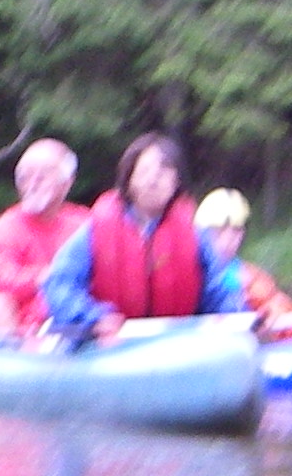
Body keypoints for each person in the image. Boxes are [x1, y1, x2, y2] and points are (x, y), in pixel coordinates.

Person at [41, 132, 248, 343]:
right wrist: (92, 317)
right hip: (113, 345)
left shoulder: (195, 233)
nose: (153, 178)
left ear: (176, 181)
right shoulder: (96, 230)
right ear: (129, 179)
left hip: (177, 345)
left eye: (164, 170)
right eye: (144, 170)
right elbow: (58, 285)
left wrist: (243, 322)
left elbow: (221, 292)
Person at [0, 139, 91, 339]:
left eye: (42, 176)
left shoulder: (85, 222)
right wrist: (45, 276)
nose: (32, 184)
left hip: (79, 315)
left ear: (67, 183)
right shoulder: (4, 228)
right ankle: (12, 353)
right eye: (25, 176)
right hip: (27, 329)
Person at [194, 188, 292, 331]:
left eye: (236, 231)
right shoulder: (186, 272)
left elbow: (285, 317)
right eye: (218, 231)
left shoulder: (250, 279)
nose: (228, 239)